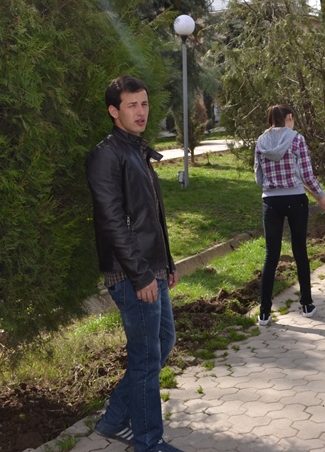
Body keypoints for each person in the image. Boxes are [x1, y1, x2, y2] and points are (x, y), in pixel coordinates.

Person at [86, 76, 185, 452]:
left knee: (163, 341)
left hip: (150, 266)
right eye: (132, 105)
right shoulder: (106, 155)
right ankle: (148, 442)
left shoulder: (136, 150)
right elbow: (112, 222)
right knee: (146, 357)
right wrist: (140, 274)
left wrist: (167, 262)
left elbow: (152, 215)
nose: (141, 111)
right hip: (130, 272)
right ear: (114, 111)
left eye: (144, 104)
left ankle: (114, 419)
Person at [254, 105, 325, 326]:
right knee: (300, 251)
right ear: (289, 117)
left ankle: (264, 313)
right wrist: (322, 195)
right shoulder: (297, 139)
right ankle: (307, 305)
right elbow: (307, 174)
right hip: (296, 199)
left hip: (270, 201)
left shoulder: (261, 142)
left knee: (271, 255)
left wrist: (274, 181)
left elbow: (258, 177)